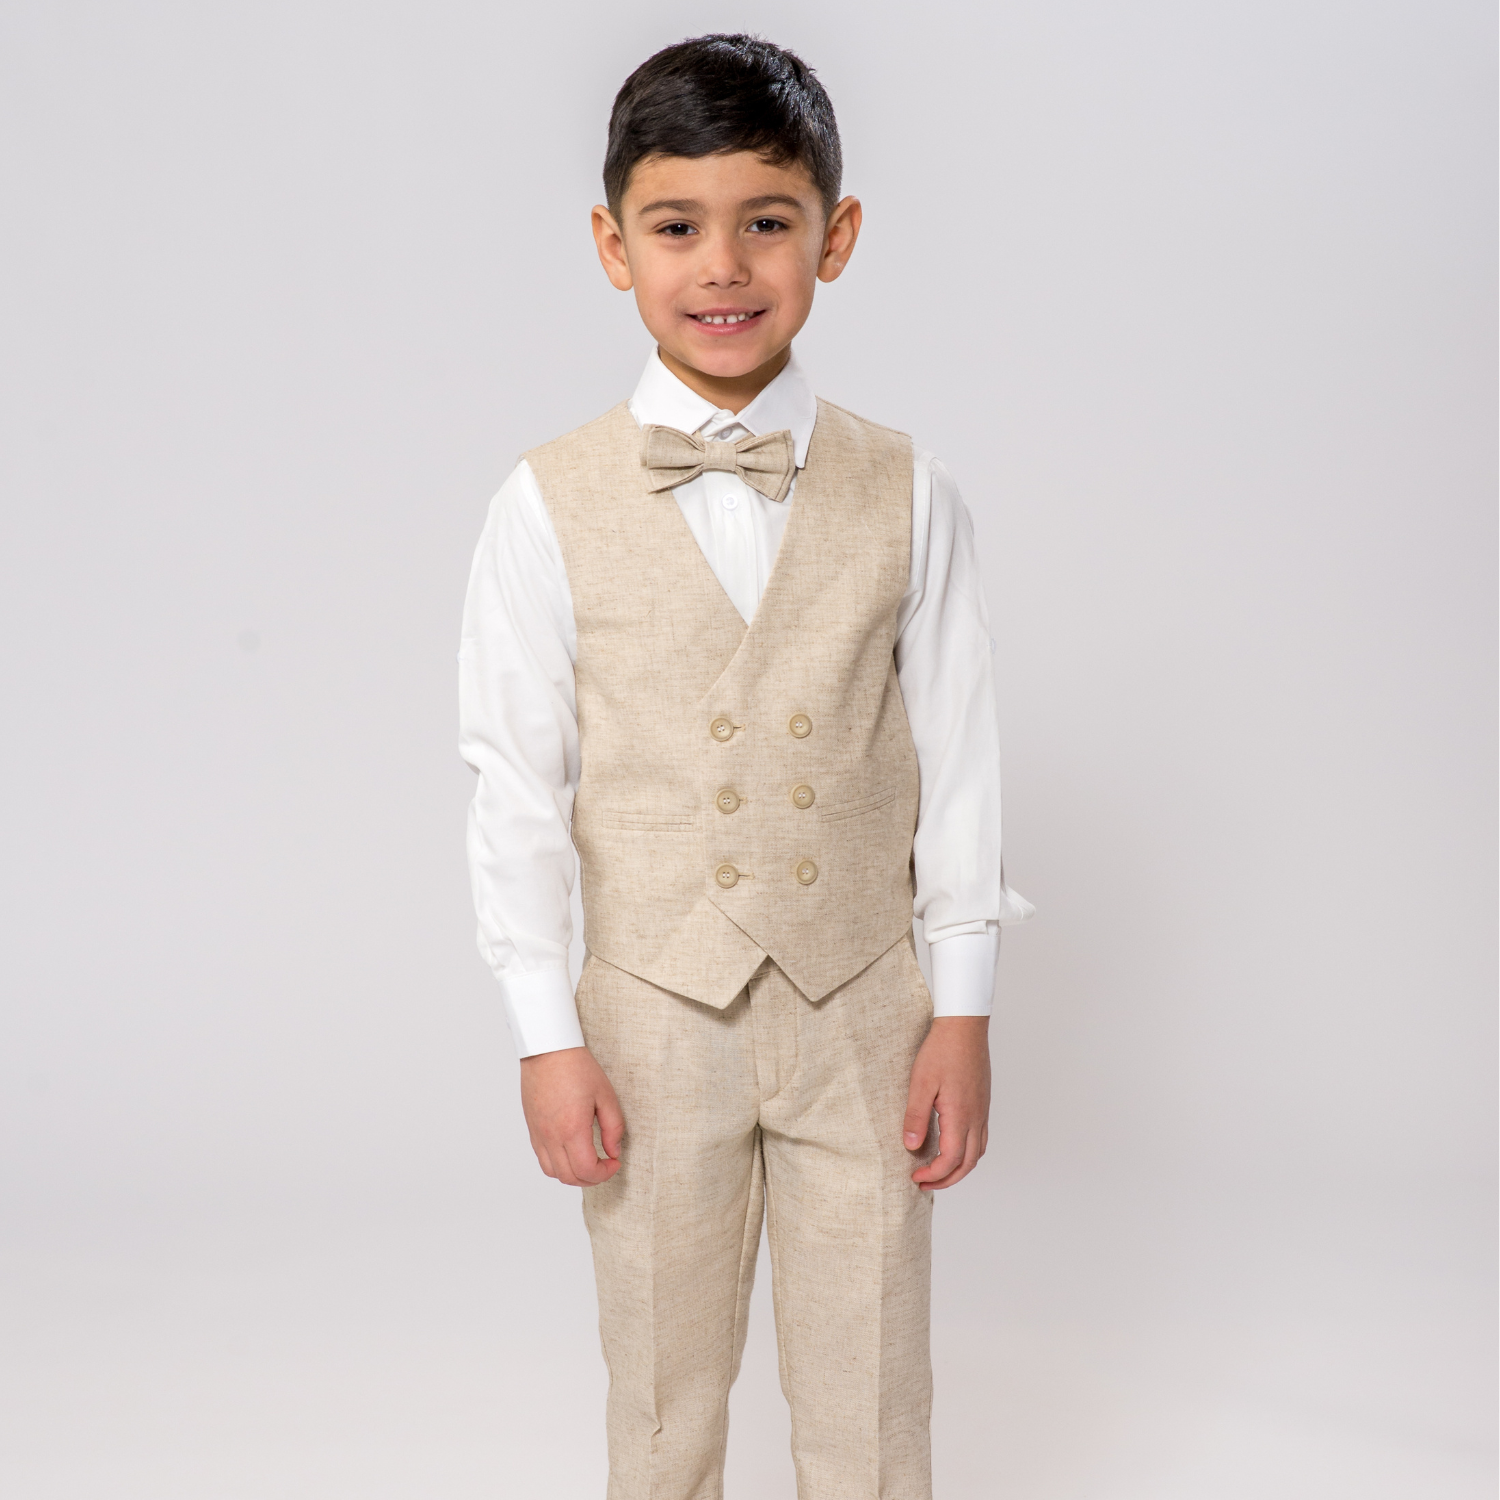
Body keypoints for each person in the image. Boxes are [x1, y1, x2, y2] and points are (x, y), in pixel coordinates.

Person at [459, 33, 1032, 1499]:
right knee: (661, 1386)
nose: (723, 264)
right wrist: (546, 1028)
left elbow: (956, 761)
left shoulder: (911, 491)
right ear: (612, 246)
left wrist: (958, 1011)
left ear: (833, 238)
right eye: (675, 226)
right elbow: (515, 784)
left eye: (767, 220)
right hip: (650, 1018)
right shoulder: (544, 503)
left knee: (873, 1380)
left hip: (865, 1013)